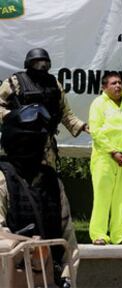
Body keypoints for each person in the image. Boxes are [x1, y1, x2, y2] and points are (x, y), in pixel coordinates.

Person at [0, 104, 79, 288]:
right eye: (30, 141)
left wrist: (68, 277)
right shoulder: (3, 179)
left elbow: (68, 239)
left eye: (39, 141)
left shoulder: (52, 181)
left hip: (49, 280)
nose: (37, 148)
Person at [0, 48, 88, 168]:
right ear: (29, 64)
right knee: (18, 183)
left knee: (46, 182)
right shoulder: (15, 82)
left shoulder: (54, 84)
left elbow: (64, 112)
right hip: (20, 144)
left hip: (46, 145)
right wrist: (13, 116)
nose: (42, 67)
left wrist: (82, 126)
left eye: (45, 64)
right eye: (38, 63)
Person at [88, 72, 122, 245]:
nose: (118, 86)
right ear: (104, 87)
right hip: (105, 157)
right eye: (113, 83)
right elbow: (96, 131)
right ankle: (98, 234)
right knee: (102, 197)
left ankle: (120, 236)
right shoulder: (98, 103)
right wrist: (113, 152)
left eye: (120, 82)